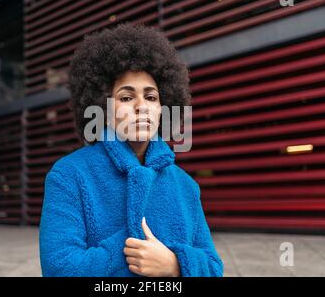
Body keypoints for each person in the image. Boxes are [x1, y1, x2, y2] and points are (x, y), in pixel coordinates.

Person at [39, 23, 223, 277]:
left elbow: (214, 267)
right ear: (102, 107)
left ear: (164, 107)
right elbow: (60, 268)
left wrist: (174, 265)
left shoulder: (186, 186)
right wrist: (131, 245)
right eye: (126, 98)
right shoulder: (69, 175)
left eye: (151, 97)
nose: (142, 106)